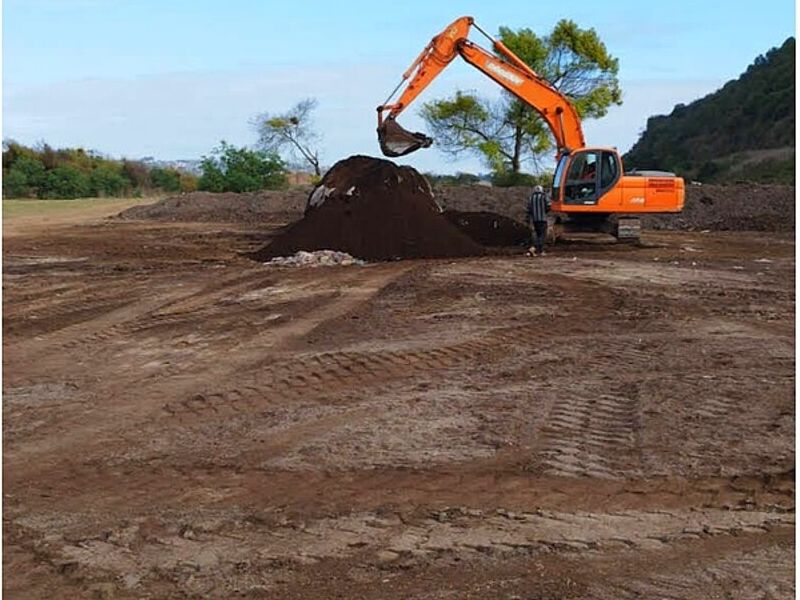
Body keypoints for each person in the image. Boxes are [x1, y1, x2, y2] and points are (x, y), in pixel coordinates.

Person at [526, 184, 550, 256]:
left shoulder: (531, 197)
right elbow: (548, 206)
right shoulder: (544, 196)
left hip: (535, 220)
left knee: (538, 234)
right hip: (542, 219)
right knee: (542, 235)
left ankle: (541, 251)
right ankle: (534, 248)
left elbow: (529, 209)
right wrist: (545, 211)